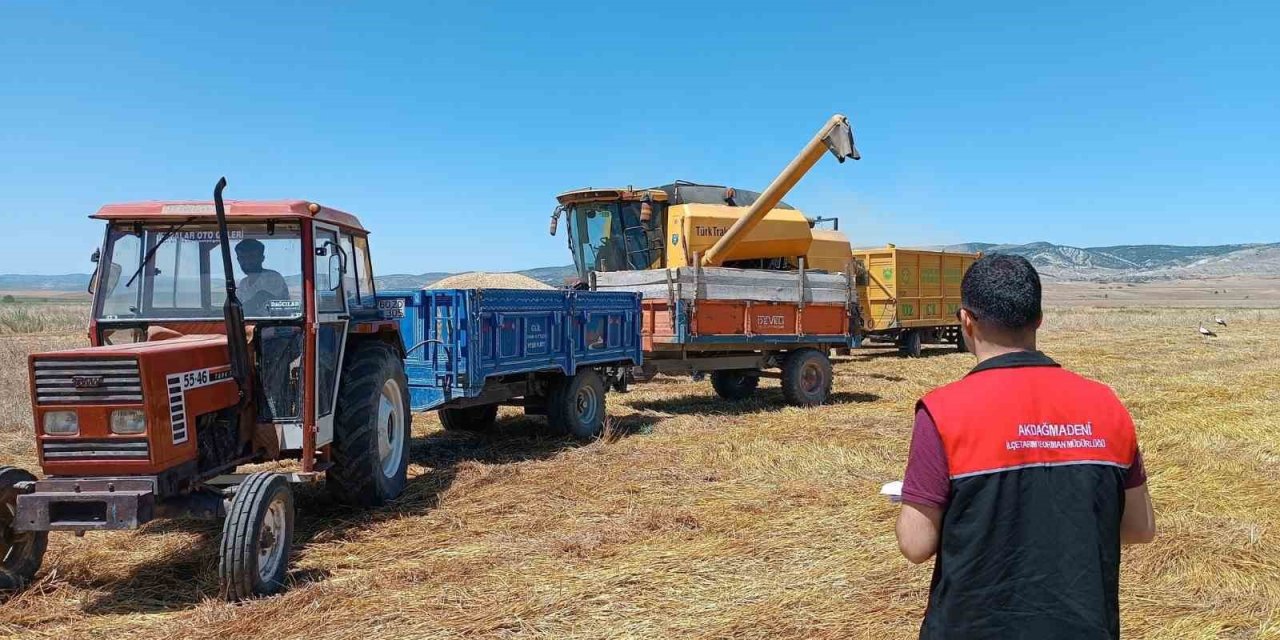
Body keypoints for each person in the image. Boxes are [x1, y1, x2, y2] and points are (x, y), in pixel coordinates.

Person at [895, 254, 1155, 639]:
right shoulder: (1106, 405)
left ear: (966, 320)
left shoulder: (943, 411)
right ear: (1038, 319)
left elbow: (916, 544)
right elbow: (1139, 527)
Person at [234, 238, 289, 315]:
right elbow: (239, 310)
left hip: (272, 325)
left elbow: (269, 310)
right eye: (242, 257)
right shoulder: (243, 284)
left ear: (261, 258)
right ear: (238, 260)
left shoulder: (272, 278)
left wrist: (259, 297)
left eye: (251, 257)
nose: (247, 261)